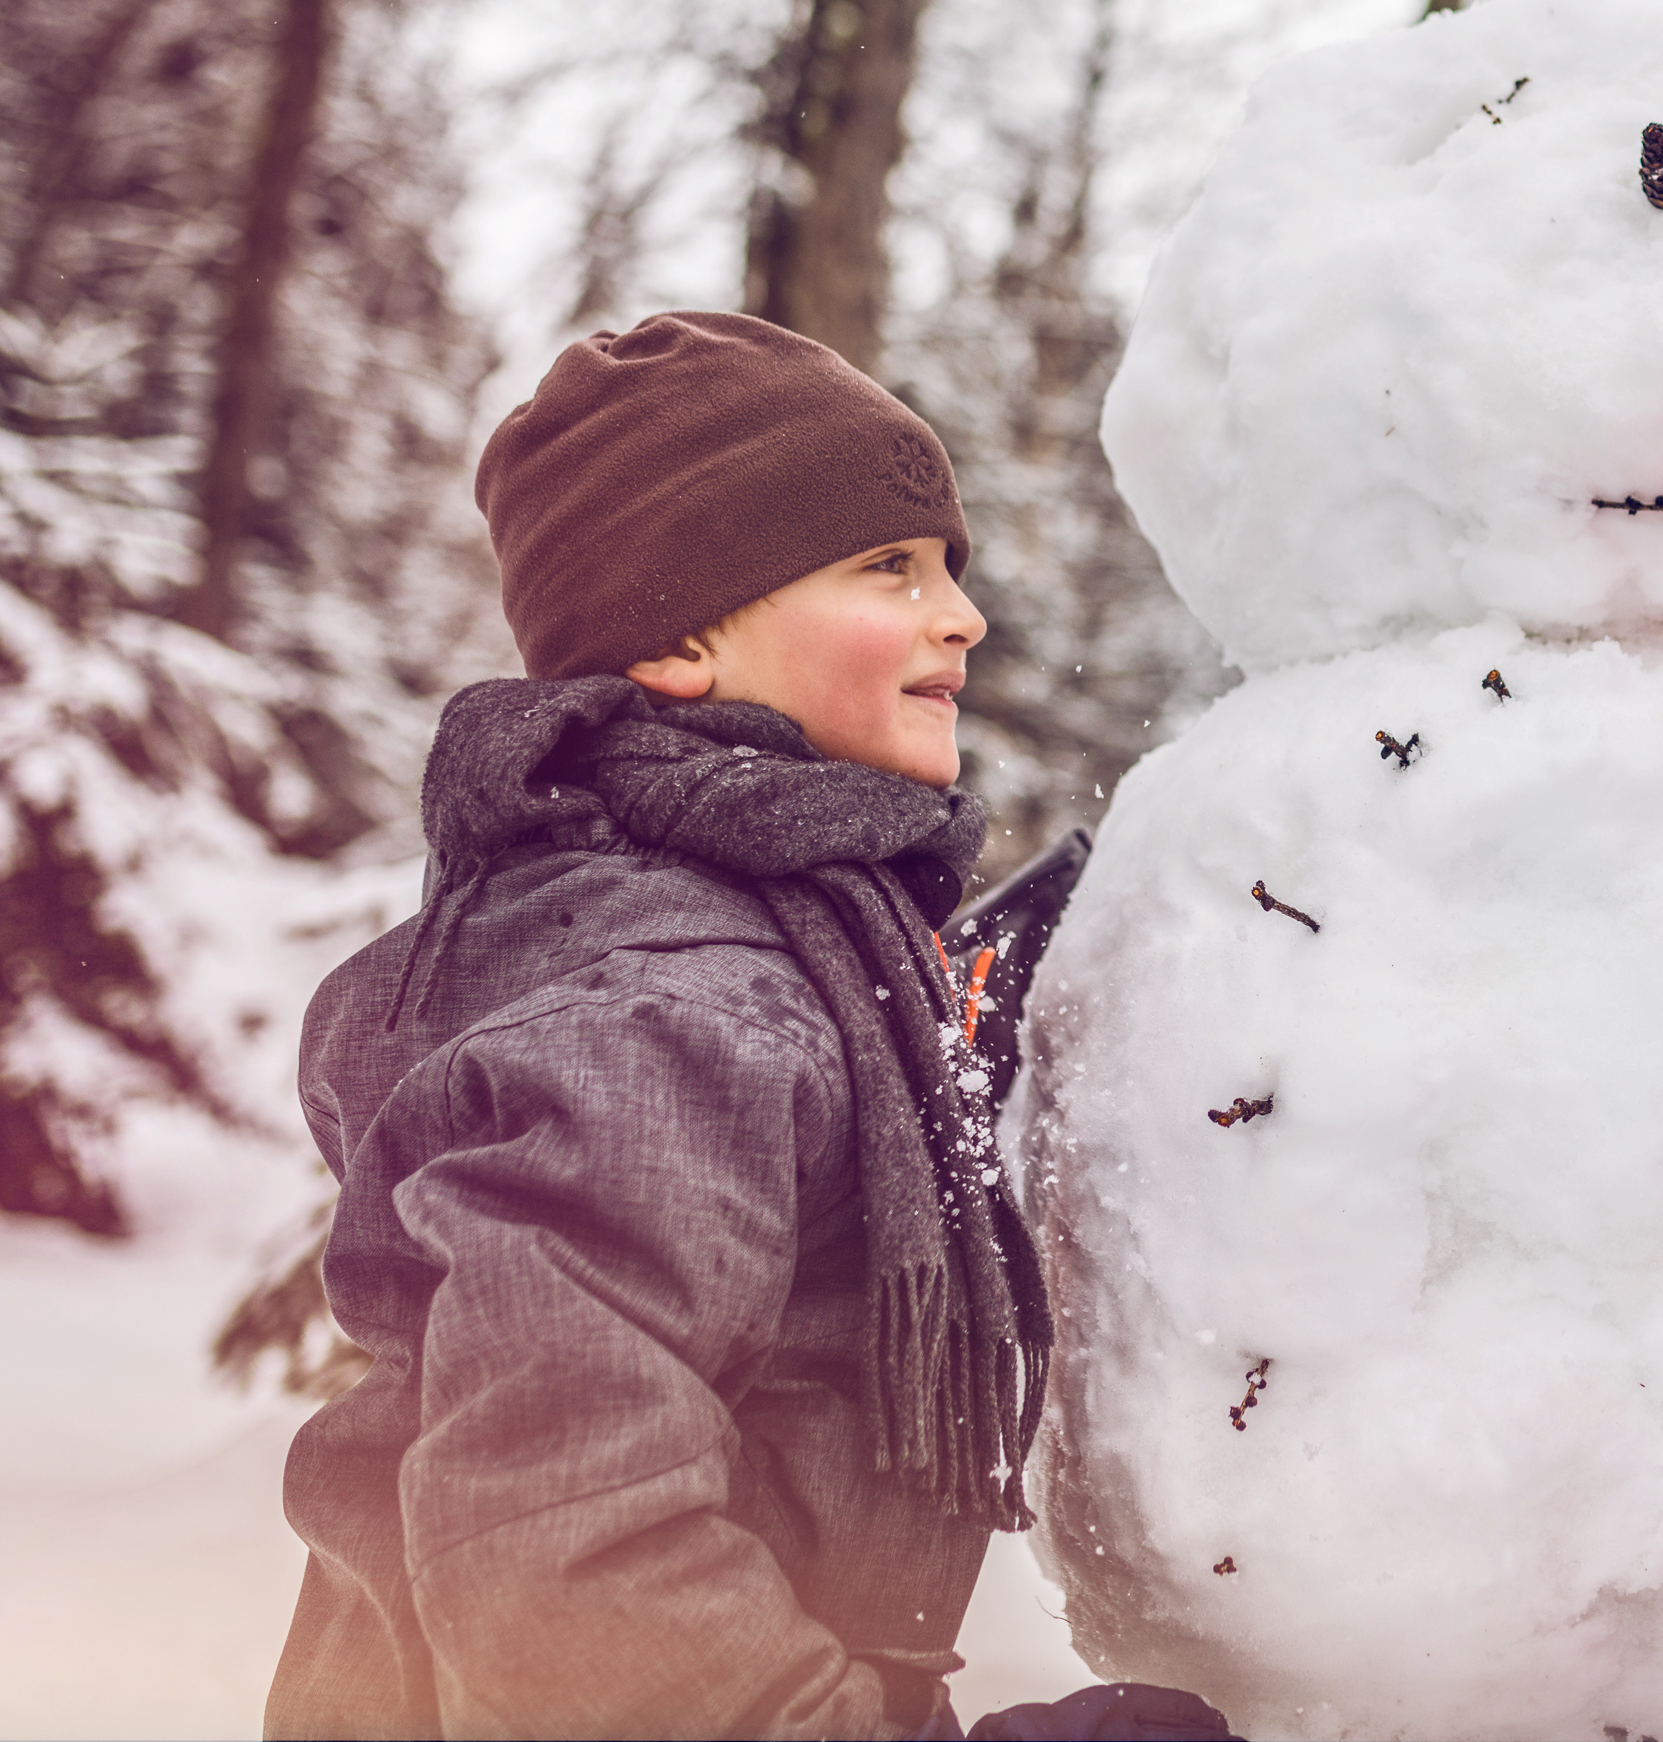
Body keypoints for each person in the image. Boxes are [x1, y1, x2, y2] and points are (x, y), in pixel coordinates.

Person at [265, 310, 1226, 1742]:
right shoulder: (675, 1010)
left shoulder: (716, 942)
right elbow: (562, 1555)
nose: (961, 616)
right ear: (680, 640)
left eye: (949, 566)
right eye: (888, 566)